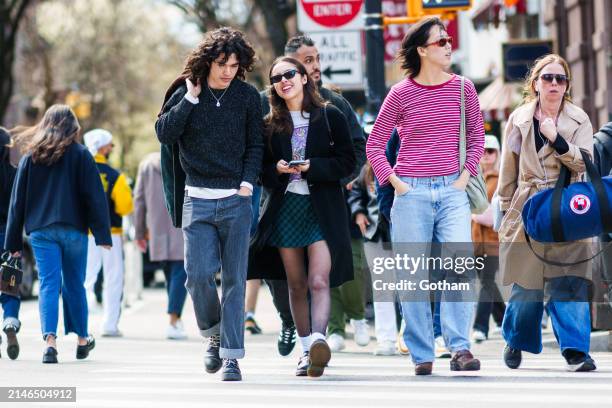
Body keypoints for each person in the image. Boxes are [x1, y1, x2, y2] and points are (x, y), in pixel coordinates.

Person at [366, 17, 485, 375]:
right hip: (411, 192)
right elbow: (375, 144)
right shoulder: (400, 93)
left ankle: (460, 348)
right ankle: (422, 353)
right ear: (421, 50)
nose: (449, 45)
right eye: (441, 41)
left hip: (452, 191)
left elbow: (476, 139)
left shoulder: (464, 89)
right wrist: (397, 183)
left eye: (449, 40)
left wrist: (464, 177)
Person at [156, 27, 263, 382]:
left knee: (234, 280)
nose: (227, 71)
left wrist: (247, 182)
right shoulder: (186, 93)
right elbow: (164, 134)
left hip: (237, 199)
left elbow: (255, 145)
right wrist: (188, 100)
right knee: (197, 276)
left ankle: (232, 356)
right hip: (197, 200)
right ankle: (214, 334)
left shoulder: (247, 97)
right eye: (221, 63)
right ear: (208, 61)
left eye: (234, 64)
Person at [260, 34, 367, 357]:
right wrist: (277, 170)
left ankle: (319, 341)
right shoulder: (269, 124)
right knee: (296, 284)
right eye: (277, 78)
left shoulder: (330, 113)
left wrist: (314, 168)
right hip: (285, 208)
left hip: (322, 207)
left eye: (290, 75)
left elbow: (349, 158)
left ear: (304, 79)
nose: (284, 81)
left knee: (320, 280)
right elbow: (258, 168)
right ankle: (306, 348)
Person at [498, 54, 596, 372]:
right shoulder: (519, 119)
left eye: (561, 79)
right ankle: (515, 339)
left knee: (569, 280)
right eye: (548, 78)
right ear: (535, 83)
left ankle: (575, 351)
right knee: (527, 285)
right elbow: (508, 169)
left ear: (567, 85)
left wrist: (557, 138)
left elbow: (584, 163)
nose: (554, 84)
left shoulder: (579, 119)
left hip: (568, 207)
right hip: (530, 206)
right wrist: (504, 210)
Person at [5, 105, 111, 364]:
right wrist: (102, 235)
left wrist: (13, 242)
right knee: (75, 284)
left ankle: (49, 343)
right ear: (73, 127)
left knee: (49, 285)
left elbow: (17, 202)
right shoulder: (82, 155)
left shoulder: (31, 157)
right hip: (74, 229)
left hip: (41, 231)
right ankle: (82, 340)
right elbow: (95, 198)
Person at [83, 129, 133, 337]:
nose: (112, 148)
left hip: (85, 234)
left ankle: (80, 325)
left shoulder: (81, 172)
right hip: (112, 234)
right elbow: (125, 207)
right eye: (110, 145)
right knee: (114, 278)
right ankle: (109, 325)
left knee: (85, 278)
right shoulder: (115, 176)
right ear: (103, 148)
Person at [133, 152, 188, 340]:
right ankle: (173, 321)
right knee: (180, 275)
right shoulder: (184, 157)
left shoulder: (146, 165)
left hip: (157, 230)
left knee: (171, 277)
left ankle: (175, 319)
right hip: (181, 225)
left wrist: (139, 232)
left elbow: (138, 200)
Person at [347, 162, 396, 355]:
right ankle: (386, 340)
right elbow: (356, 193)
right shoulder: (368, 169)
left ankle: (409, 337)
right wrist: (358, 213)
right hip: (374, 234)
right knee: (382, 288)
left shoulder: (405, 159)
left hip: (402, 232)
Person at [471, 135, 506, 343]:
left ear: (498, 154)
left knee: (485, 283)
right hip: (475, 242)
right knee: (488, 283)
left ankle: (480, 327)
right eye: (483, 151)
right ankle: (502, 318)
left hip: (494, 241)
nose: (486, 155)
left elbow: (493, 214)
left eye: (491, 151)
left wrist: (474, 214)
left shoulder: (502, 179)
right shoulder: (472, 177)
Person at [0, 127, 20, 360]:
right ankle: (10, 321)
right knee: (9, 286)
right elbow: (19, 209)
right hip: (8, 236)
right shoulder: (14, 174)